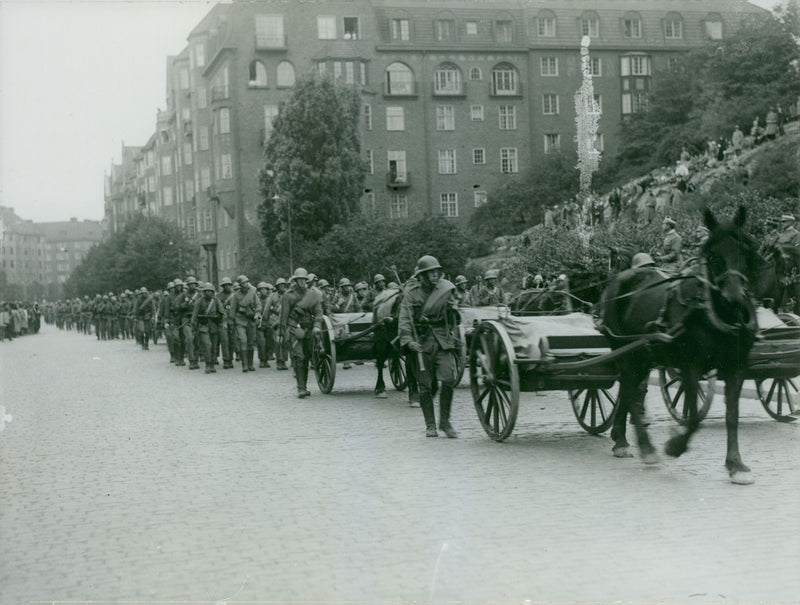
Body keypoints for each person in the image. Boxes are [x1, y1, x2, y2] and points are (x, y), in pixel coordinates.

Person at [398, 255, 462, 438]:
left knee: (449, 379)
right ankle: (431, 425)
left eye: (436, 272)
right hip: (422, 342)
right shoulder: (411, 293)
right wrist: (408, 340)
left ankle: (445, 422)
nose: (434, 275)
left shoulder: (445, 290)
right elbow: (404, 318)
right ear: (422, 275)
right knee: (425, 385)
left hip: (442, 341)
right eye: (430, 272)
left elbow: (454, 317)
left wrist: (454, 311)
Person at [280, 267, 323, 398]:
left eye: (304, 279)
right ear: (295, 280)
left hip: (309, 329)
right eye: (299, 279)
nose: (302, 282)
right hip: (294, 328)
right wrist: (281, 334)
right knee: (299, 357)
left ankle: (304, 385)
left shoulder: (313, 294)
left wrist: (316, 326)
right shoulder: (288, 295)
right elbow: (284, 316)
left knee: (307, 357)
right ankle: (301, 388)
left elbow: (318, 312)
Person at [192, 282, 225, 373]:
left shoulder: (216, 301)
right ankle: (207, 364)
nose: (208, 293)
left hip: (214, 326)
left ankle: (212, 364)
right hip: (203, 326)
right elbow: (194, 316)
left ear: (213, 292)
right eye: (206, 291)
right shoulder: (199, 302)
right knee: (207, 345)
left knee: (214, 346)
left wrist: (219, 320)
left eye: (210, 291)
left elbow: (222, 313)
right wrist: (193, 326)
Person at [231, 275, 260, 372]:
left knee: (251, 342)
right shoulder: (236, 295)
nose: (245, 284)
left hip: (251, 320)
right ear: (240, 285)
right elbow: (233, 309)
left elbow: (258, 305)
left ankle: (250, 364)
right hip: (240, 320)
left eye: (246, 282)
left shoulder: (252, 293)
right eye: (243, 283)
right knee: (243, 340)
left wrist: (257, 312)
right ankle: (245, 365)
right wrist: (232, 321)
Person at [217, 277, 236, 369]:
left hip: (232, 320)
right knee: (224, 340)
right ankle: (225, 359)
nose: (228, 286)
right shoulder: (219, 296)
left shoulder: (234, 296)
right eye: (226, 285)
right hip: (222, 321)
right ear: (223, 286)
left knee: (232, 340)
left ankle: (230, 359)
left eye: (229, 285)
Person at [256, 282, 274, 368]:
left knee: (268, 342)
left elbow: (274, 310)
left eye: (265, 289)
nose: (264, 291)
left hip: (268, 323)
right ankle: (262, 360)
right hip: (259, 324)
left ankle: (266, 359)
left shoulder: (270, 299)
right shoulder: (256, 299)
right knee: (261, 342)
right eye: (262, 289)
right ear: (259, 290)